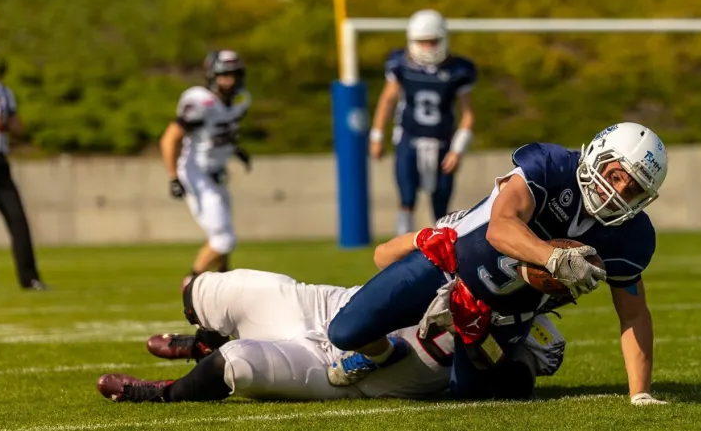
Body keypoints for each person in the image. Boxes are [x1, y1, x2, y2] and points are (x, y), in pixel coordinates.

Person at [326, 122, 668, 405]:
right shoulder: (551, 166)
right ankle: (384, 354)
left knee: (470, 394)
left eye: (632, 189)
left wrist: (640, 393)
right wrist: (553, 258)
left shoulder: (631, 236)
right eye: (615, 175)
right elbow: (500, 227)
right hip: (449, 267)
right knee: (346, 332)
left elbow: (634, 314)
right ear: (596, 154)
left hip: (503, 314)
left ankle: (525, 350)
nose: (616, 191)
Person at [95, 228, 566, 403]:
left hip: (340, 370)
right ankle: (205, 340)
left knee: (237, 366)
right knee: (200, 290)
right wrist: (424, 239)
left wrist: (475, 337)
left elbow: (494, 389)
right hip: (332, 306)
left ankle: (164, 393)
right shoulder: (477, 236)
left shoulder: (535, 331)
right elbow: (384, 256)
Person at [369, 9, 477, 236]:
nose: (428, 47)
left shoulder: (458, 70)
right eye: (422, 42)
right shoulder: (401, 64)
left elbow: (468, 114)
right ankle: (403, 245)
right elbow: (388, 99)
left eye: (433, 41)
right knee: (407, 198)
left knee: (441, 205)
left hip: (443, 142)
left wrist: (458, 150)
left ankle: (442, 248)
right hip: (409, 138)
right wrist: (376, 135)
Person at [159, 50, 252, 277]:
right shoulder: (201, 102)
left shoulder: (240, 100)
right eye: (224, 75)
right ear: (212, 76)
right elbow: (170, 139)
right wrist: (173, 176)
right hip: (197, 172)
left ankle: (222, 280)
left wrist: (235, 150)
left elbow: (222, 132)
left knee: (223, 235)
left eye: (234, 74)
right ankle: (191, 284)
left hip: (218, 172)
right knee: (223, 239)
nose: (230, 81)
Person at [0, 45, 46, 291]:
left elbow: (19, 128)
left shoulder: (4, 93)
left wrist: (5, 123)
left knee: (17, 219)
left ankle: (29, 277)